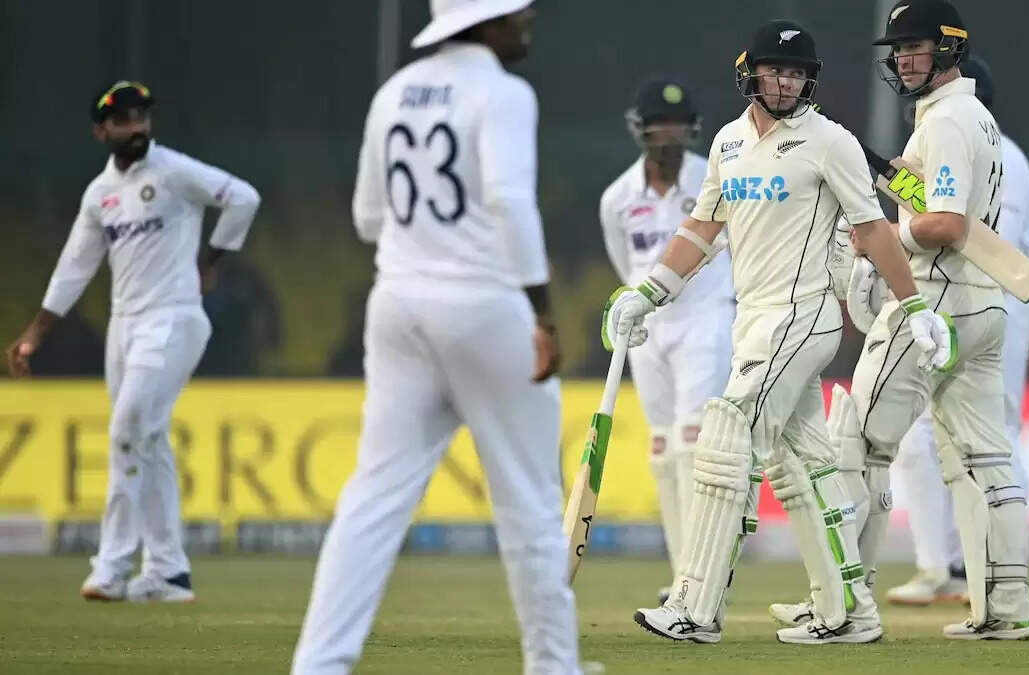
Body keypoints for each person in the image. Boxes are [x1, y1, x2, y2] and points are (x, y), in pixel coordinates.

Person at [609, 20, 952, 645]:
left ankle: (695, 606)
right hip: (754, 319)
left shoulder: (831, 142)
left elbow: (873, 230)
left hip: (805, 315)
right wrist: (650, 292)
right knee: (805, 467)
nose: (788, 81)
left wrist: (912, 306)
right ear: (750, 74)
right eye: (777, 70)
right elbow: (700, 228)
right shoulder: (727, 145)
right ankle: (849, 610)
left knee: (728, 433)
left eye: (797, 73)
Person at [290, 2, 590, 673]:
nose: (526, 23)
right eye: (515, 13)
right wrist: (542, 312)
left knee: (372, 497)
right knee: (530, 500)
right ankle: (552, 664)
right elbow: (511, 201)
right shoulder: (504, 92)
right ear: (483, 24)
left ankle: (318, 663)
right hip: (485, 304)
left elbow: (369, 218)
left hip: (397, 303)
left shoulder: (393, 91)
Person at [770, 0, 1029, 641]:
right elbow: (948, 209)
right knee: (984, 458)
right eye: (898, 49)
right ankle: (1007, 609)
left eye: (914, 47)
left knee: (858, 446)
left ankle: (843, 608)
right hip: (984, 306)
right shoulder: (975, 117)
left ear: (949, 48)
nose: (901, 58)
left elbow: (943, 224)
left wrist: (885, 236)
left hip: (935, 304)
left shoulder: (948, 120)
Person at [5, 80, 261, 602]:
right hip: (124, 327)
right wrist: (35, 333)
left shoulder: (171, 170)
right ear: (102, 130)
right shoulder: (99, 195)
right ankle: (169, 573)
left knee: (126, 429)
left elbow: (243, 198)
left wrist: (208, 261)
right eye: (123, 119)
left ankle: (112, 566)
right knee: (149, 440)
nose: (137, 126)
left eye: (142, 116)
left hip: (173, 318)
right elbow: (74, 266)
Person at [885, 55, 1029, 607]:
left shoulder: (999, 154)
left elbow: (976, 240)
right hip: (957, 299)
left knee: (990, 436)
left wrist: (897, 237)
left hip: (989, 298)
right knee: (931, 440)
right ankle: (948, 566)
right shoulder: (963, 141)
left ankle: (996, 571)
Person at [598, 78, 734, 604]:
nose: (668, 135)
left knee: (691, 443)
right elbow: (626, 262)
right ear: (640, 130)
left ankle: (701, 573)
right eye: (659, 125)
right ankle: (682, 571)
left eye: (677, 125)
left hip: (705, 317)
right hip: (650, 328)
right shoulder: (617, 198)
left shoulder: (713, 178)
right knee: (661, 446)